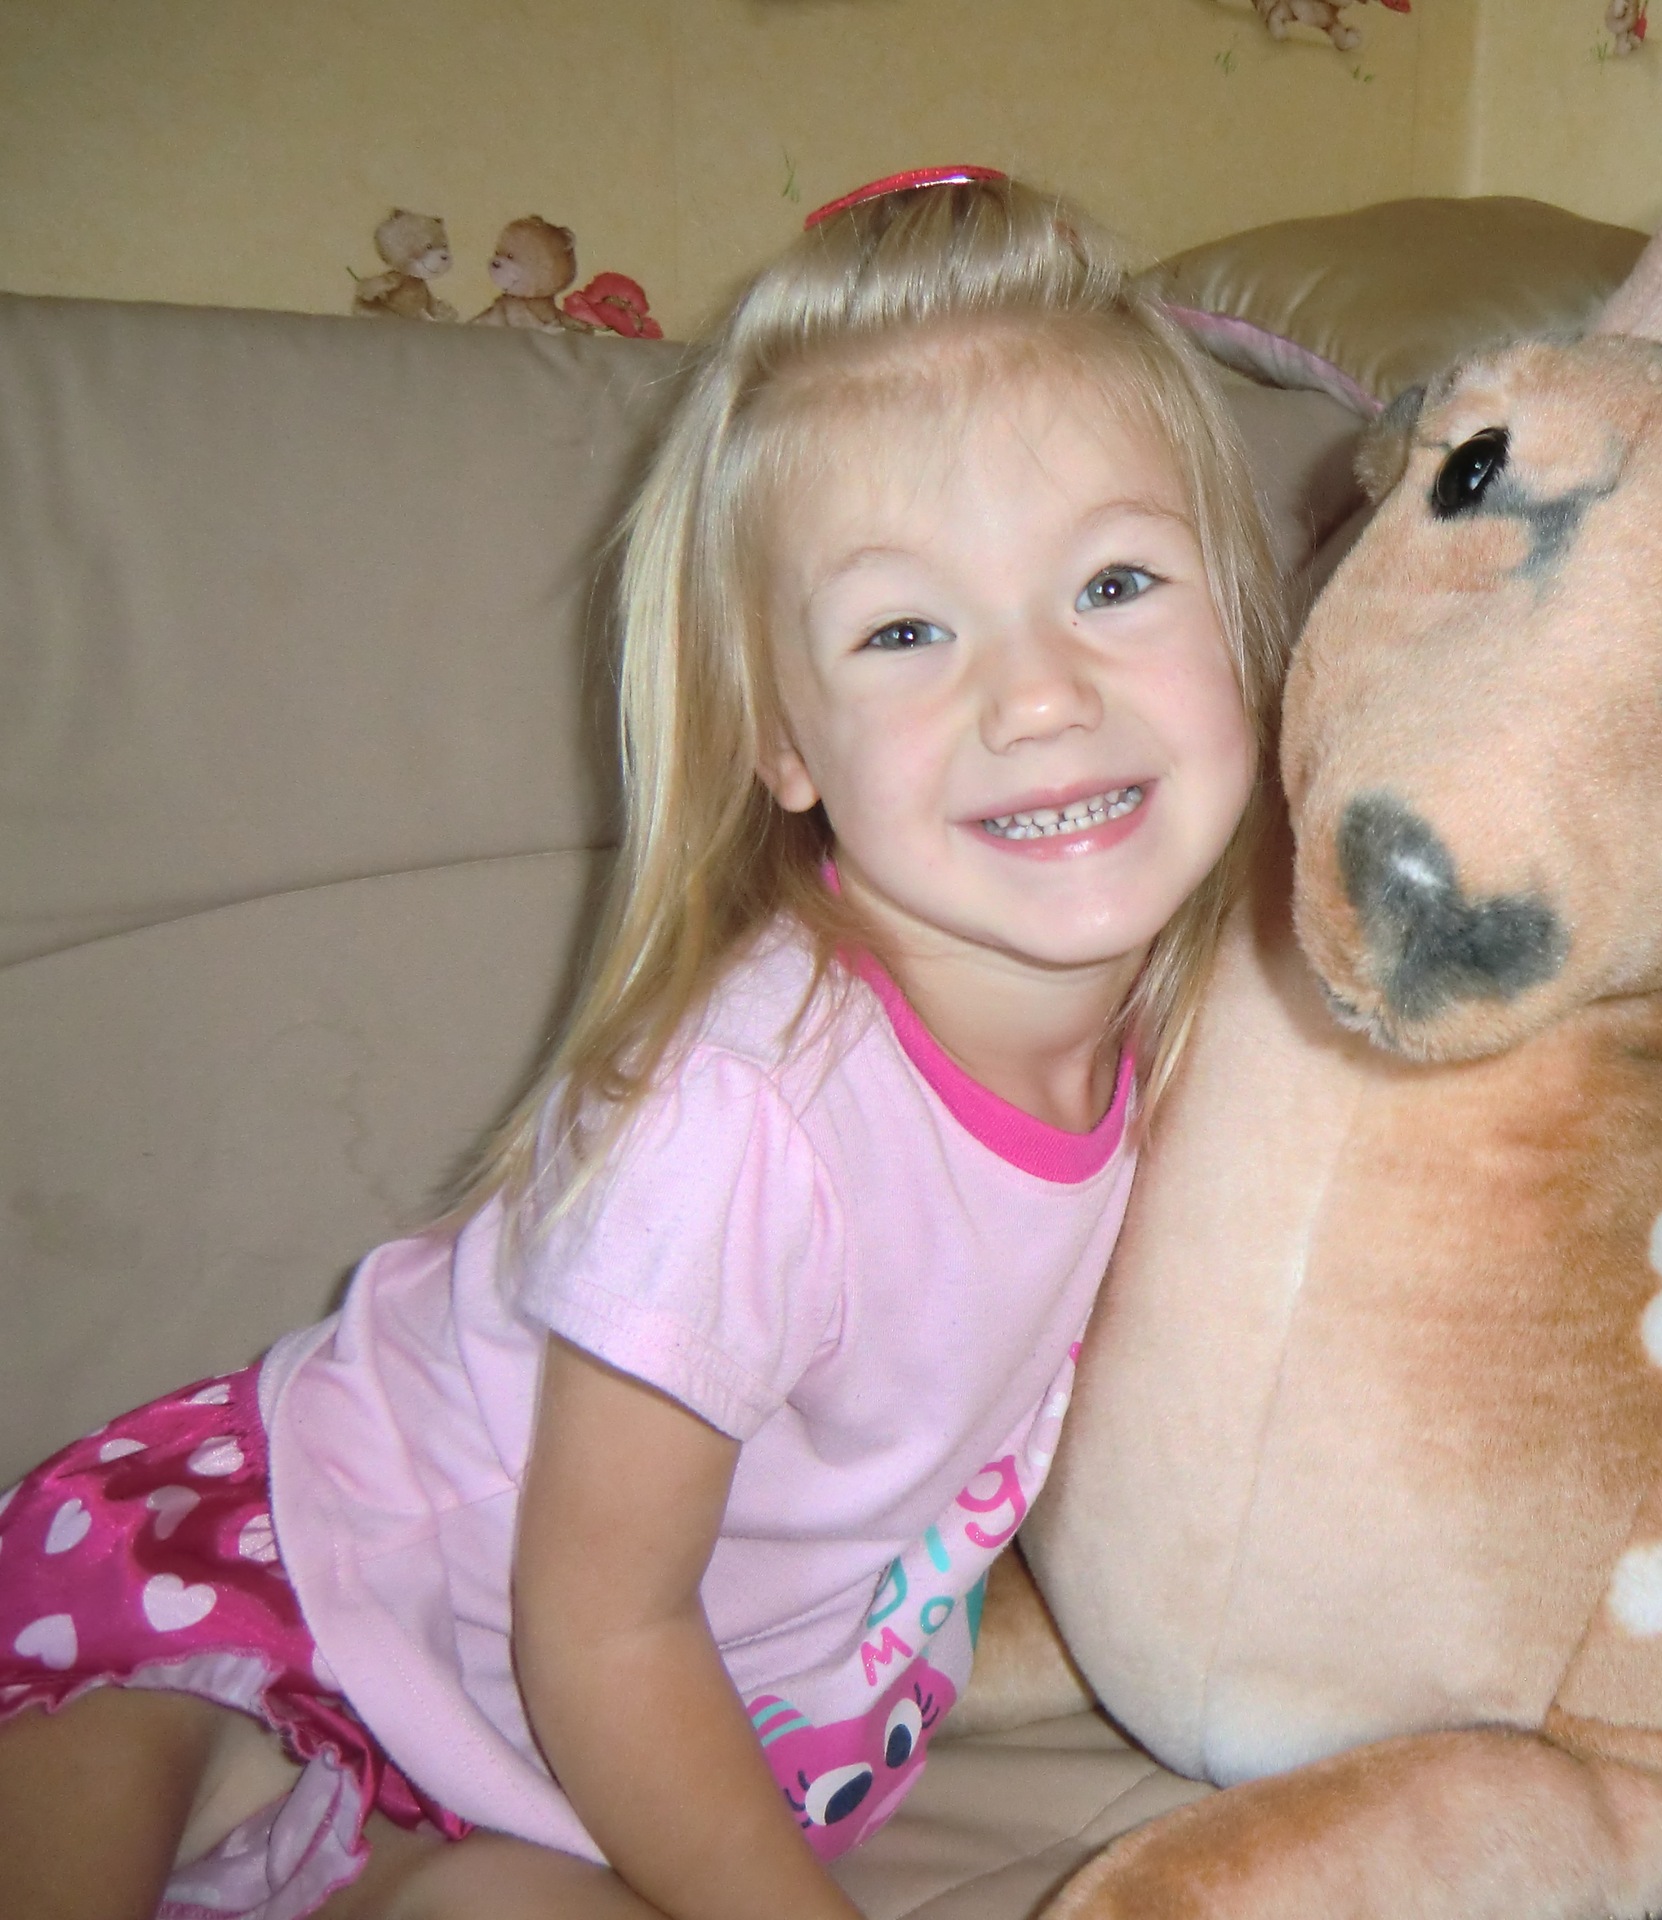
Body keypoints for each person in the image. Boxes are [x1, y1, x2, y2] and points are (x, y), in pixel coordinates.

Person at [0, 166, 1287, 1920]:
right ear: (785, 743)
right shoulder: (752, 1118)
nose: (1042, 693)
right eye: (906, 629)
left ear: (1244, 622)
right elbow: (599, 1627)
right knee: (110, 1756)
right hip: (316, 1568)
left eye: (1117, 581)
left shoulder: (1203, 1017)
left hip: (617, 1737)